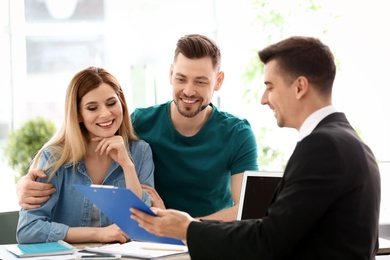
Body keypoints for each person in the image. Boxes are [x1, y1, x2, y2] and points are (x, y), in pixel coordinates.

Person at [130, 36, 381, 259]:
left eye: (270, 86)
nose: (263, 99)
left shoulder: (322, 147)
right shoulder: (347, 141)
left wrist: (187, 228)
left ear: (300, 87)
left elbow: (269, 239)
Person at [16, 34, 259, 221]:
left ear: (218, 81)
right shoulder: (140, 122)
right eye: (181, 78)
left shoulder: (238, 134)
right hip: (147, 241)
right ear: (170, 74)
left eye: (201, 82)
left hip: (208, 240)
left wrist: (186, 226)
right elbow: (79, 140)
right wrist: (25, 183)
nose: (188, 90)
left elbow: (246, 209)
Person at [16, 67, 154, 244]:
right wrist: (99, 234)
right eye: (92, 108)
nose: (105, 114)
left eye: (111, 103)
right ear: (78, 114)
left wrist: (127, 165)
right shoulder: (54, 158)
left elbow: (142, 224)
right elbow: (28, 230)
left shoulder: (140, 152)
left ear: (122, 104)